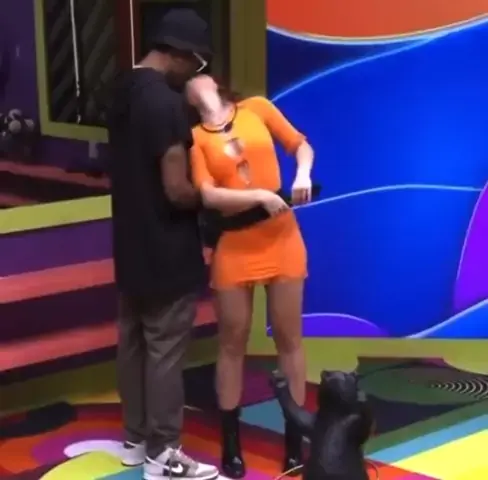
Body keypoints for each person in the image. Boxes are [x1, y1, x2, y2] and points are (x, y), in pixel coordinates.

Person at [106, 10, 219, 480]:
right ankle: (164, 453)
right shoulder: (166, 105)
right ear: (178, 53)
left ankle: (135, 441)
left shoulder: (120, 91)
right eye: (196, 63)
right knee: (165, 352)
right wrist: (211, 197)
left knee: (132, 343)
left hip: (130, 244)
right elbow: (176, 190)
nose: (195, 73)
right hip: (168, 248)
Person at [187, 75, 314, 478]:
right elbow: (208, 195)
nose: (196, 80)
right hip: (235, 244)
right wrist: (259, 196)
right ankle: (231, 445)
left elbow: (300, 144)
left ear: (216, 82)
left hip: (282, 238)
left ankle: (295, 442)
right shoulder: (195, 138)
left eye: (202, 75)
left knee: (290, 340)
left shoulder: (257, 108)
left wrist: (302, 174)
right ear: (187, 98)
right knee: (231, 344)